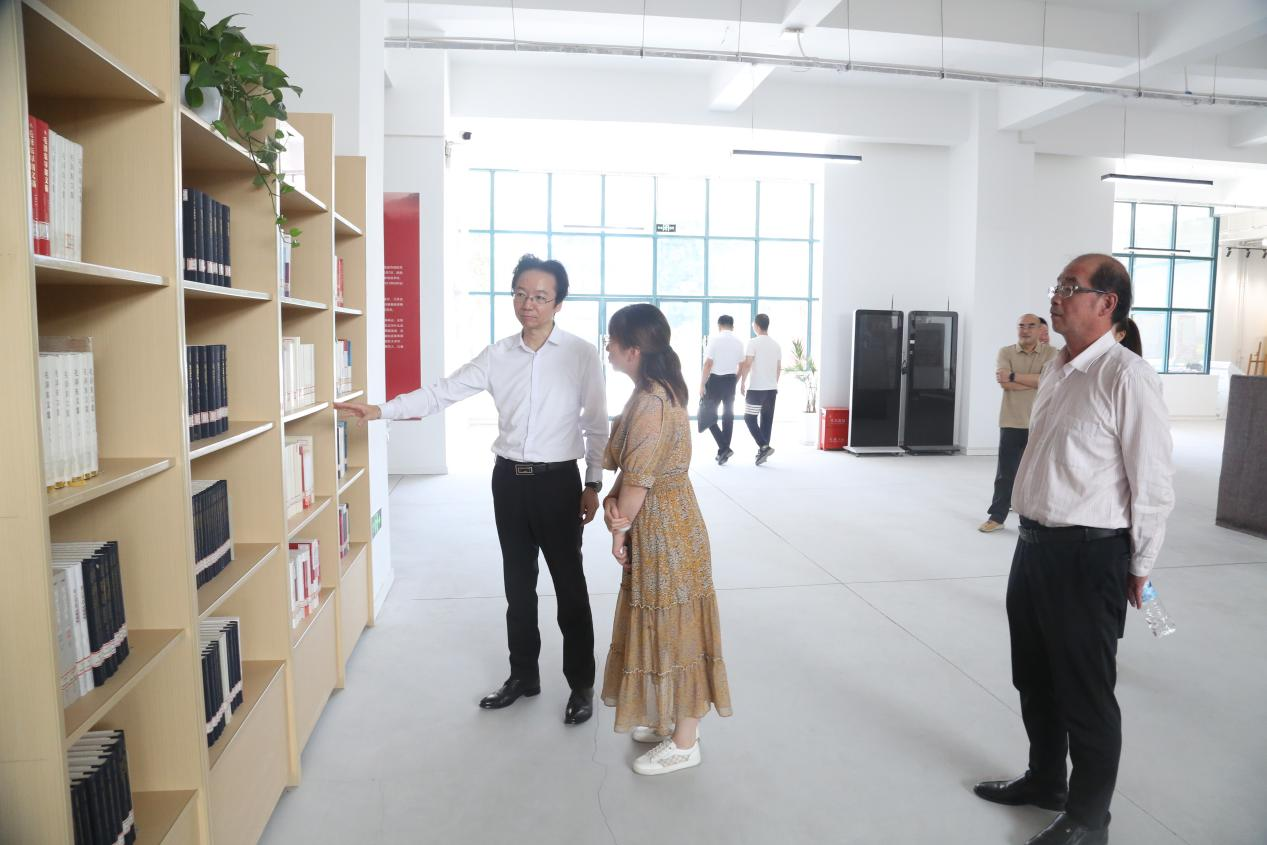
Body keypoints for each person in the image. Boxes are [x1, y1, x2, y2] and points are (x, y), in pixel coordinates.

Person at [334, 254, 608, 725]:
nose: (528, 304)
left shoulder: (581, 354)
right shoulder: (498, 354)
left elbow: (596, 424)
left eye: (540, 296)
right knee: (517, 587)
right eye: (520, 293)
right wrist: (381, 410)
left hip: (559, 483)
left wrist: (593, 482)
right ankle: (523, 676)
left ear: (558, 303)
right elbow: (443, 392)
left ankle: (581, 684)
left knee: (570, 588)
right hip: (509, 482)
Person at [973, 254, 1174, 845]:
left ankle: (1089, 819)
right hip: (1034, 548)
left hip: (1090, 557)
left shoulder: (1128, 378)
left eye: (1069, 287)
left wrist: (1141, 566)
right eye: (1056, 286)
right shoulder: (1059, 368)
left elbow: (1153, 484)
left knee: (1085, 692)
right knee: (1033, 677)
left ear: (1107, 303)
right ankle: (1045, 781)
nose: (1056, 297)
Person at [601, 304, 732, 775]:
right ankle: (673, 723)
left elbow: (639, 480)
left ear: (633, 350)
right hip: (666, 521)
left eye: (613, 340)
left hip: (666, 529)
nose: (608, 347)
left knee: (677, 627)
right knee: (667, 623)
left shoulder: (653, 402)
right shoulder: (654, 391)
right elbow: (633, 469)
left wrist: (619, 530)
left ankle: (685, 742)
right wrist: (614, 505)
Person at [979, 314, 1059, 533]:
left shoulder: (1053, 353)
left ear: (1040, 329)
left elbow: (1050, 382)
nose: (1025, 330)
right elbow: (1005, 383)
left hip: (1041, 422)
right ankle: (997, 517)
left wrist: (1014, 376)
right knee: (1005, 473)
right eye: (1021, 326)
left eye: (1031, 326)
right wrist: (1036, 380)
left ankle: (1036, 518)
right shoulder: (1006, 352)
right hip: (1012, 420)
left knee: (1039, 474)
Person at [699, 315, 745, 465]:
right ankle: (723, 452)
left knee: (707, 415)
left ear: (719, 326)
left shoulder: (715, 340)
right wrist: (735, 380)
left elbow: (708, 364)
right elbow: (742, 366)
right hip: (730, 380)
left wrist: (702, 384)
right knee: (728, 416)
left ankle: (724, 447)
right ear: (733, 326)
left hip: (715, 381)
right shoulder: (739, 342)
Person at [738, 313, 781, 465]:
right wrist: (773, 384)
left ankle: (763, 446)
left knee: (749, 418)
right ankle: (763, 452)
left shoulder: (753, 342)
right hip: (771, 389)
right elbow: (778, 368)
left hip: (756, 389)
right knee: (766, 421)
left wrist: (743, 381)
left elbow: (747, 364)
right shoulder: (776, 345)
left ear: (756, 326)